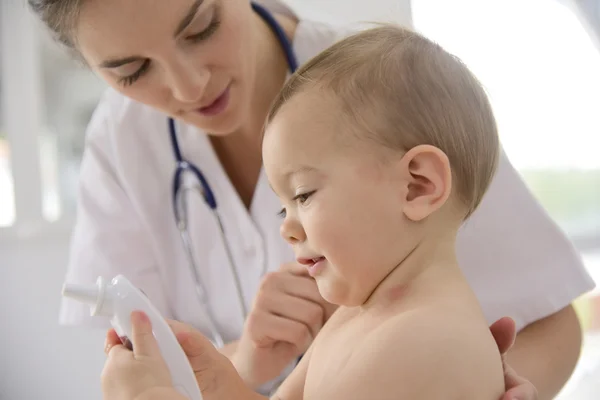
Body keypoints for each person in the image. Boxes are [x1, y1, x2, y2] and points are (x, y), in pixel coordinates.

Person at [28, 0, 593, 398]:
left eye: (200, 27)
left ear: (417, 184)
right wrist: (230, 372)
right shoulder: (354, 320)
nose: (188, 85)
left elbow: (553, 320)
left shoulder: (388, 90)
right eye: (131, 71)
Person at [103, 24, 511, 399]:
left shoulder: (417, 341)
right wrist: (221, 382)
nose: (288, 230)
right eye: (284, 209)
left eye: (302, 195)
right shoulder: (359, 318)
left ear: (417, 185)